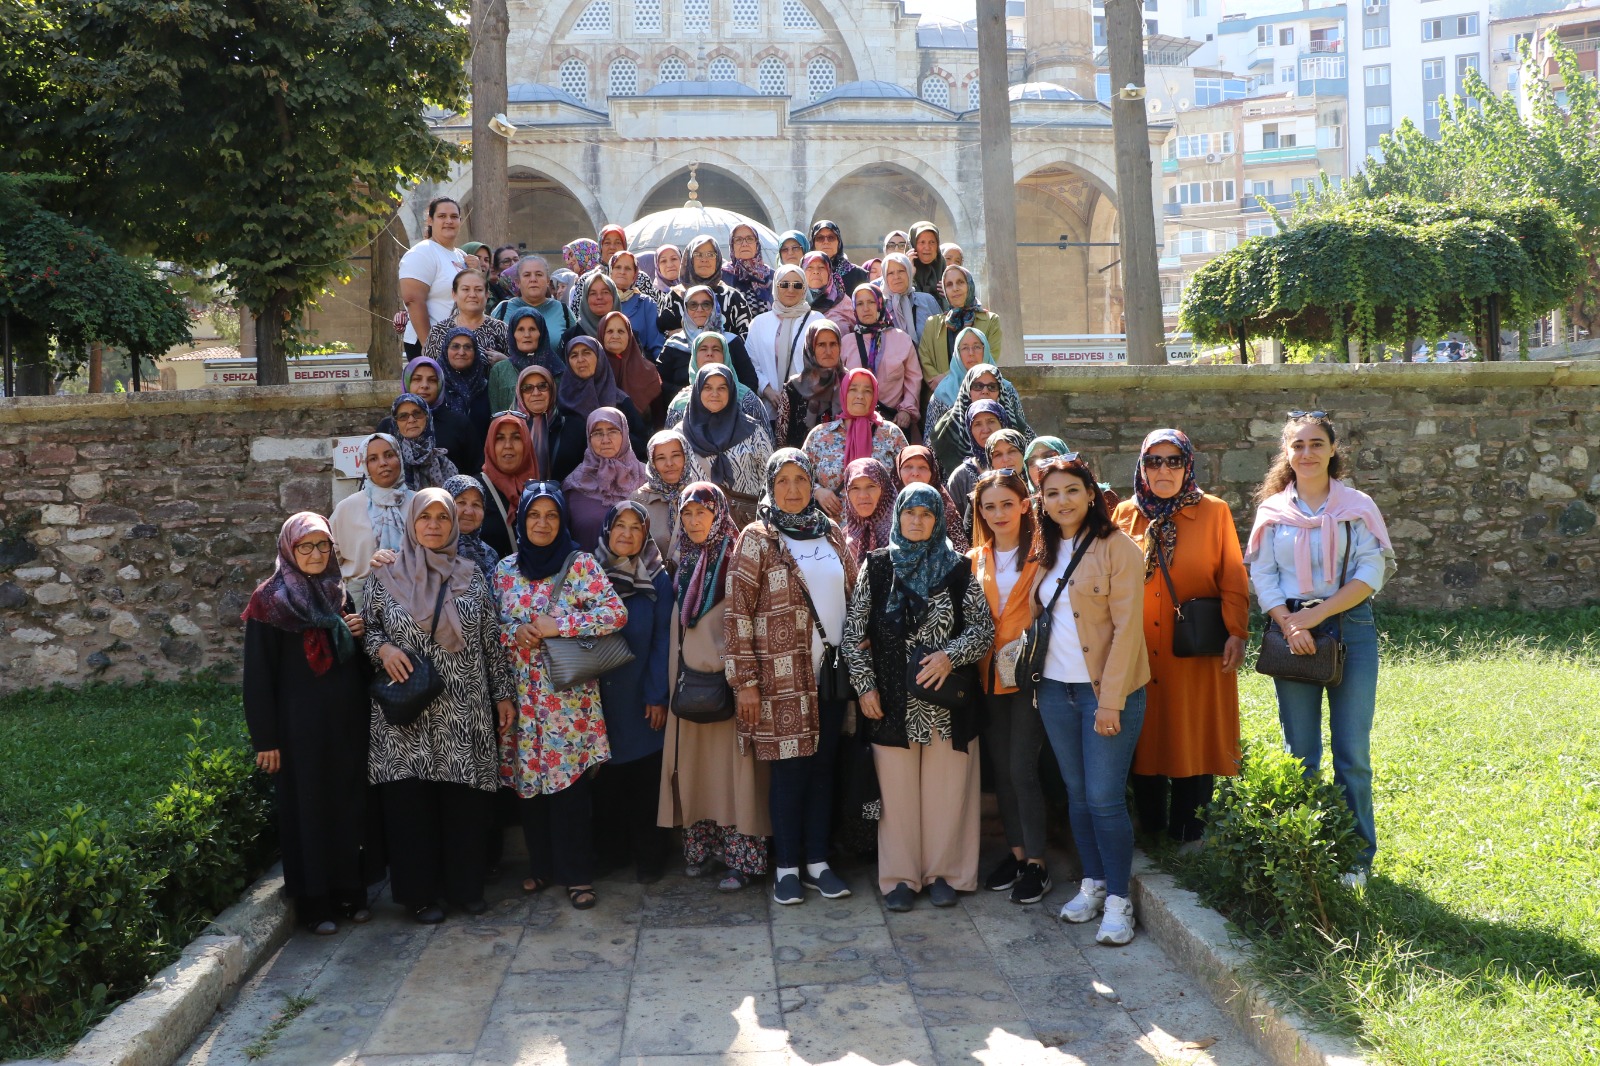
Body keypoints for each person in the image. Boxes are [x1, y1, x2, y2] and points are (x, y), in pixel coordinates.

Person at [1246, 412, 1395, 886]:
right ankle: (1310, 849)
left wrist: (1310, 617)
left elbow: (1371, 573)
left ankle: (1356, 857)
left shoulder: (1358, 506)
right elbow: (1262, 574)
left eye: (1316, 443)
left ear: (1333, 450)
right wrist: (1289, 623)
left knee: (1352, 753)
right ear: (1286, 454)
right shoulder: (1272, 511)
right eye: (1298, 445)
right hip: (1292, 631)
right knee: (1301, 753)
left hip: (1349, 627)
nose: (1307, 453)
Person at [364, 489, 515, 923]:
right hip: (406, 712)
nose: (433, 525)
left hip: (463, 708)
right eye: (424, 517)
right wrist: (384, 650)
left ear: (453, 524)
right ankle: (420, 896)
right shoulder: (384, 574)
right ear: (411, 523)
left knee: (463, 805)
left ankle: (464, 889)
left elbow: (491, 642)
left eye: (442, 518)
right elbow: (368, 629)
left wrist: (502, 695)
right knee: (412, 808)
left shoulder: (470, 575)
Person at [844, 483, 994, 911]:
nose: (916, 521)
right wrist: (865, 686)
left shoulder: (958, 569)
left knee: (948, 794)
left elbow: (982, 630)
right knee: (898, 798)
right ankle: (901, 878)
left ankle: (945, 874)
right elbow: (854, 636)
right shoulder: (876, 568)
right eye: (909, 512)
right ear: (898, 516)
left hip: (947, 705)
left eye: (926, 514)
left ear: (938, 519)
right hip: (891, 704)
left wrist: (950, 655)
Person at [726, 450, 857, 904]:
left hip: (832, 676)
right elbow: (738, 613)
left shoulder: (833, 533)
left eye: (802, 478)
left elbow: (854, 598)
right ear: (770, 485)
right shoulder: (757, 538)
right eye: (784, 480)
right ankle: (786, 867)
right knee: (788, 771)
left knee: (823, 768)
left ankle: (818, 862)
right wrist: (745, 680)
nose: (794, 489)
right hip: (781, 676)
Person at [1030, 455, 1150, 945]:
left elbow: (1127, 631)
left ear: (1091, 494)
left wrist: (1111, 701)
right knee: (1077, 796)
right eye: (1052, 493)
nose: (1062, 501)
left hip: (1105, 691)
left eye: (1071, 491)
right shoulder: (1042, 546)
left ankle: (1120, 900)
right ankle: (1095, 883)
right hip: (1055, 691)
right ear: (1042, 500)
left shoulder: (1117, 547)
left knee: (1103, 798)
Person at [1111, 429, 1250, 848]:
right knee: (1145, 729)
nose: (1163, 469)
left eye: (1173, 460)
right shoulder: (1124, 515)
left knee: (1192, 728)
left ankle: (1189, 829)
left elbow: (1233, 577)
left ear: (1188, 464)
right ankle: (1151, 825)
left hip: (1194, 644)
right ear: (1141, 467)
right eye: (1154, 461)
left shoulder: (1213, 512)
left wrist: (1238, 632)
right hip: (1138, 648)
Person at [495, 482, 627, 910]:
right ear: (522, 519)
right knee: (529, 785)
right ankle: (542, 867)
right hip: (520, 696)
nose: (543, 523)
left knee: (569, 788)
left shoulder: (580, 565)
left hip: (567, 701)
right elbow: (485, 626)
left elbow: (614, 614)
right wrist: (513, 632)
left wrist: (560, 625)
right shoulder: (504, 570)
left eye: (551, 515)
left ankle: (577, 875)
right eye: (535, 515)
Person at [243, 512, 372, 934]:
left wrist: (358, 633)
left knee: (346, 807)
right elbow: (258, 676)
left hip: (344, 723)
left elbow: (355, 664)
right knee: (308, 811)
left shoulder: (339, 594)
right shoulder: (268, 601)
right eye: (306, 546)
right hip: (298, 730)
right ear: (289, 549)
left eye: (323, 546)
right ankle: (316, 904)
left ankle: (350, 892)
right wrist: (266, 739)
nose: (316, 554)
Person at [659, 483, 772, 891]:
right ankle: (703, 851)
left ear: (718, 513)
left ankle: (741, 861)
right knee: (695, 770)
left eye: (701, 512)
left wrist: (741, 677)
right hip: (688, 685)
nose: (693, 521)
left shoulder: (737, 556)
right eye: (686, 513)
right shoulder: (681, 559)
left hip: (727, 684)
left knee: (734, 773)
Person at [967, 469, 1051, 904]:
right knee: (1001, 769)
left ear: (1024, 505)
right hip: (987, 677)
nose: (998, 513)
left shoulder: (1044, 553)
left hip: (1030, 675)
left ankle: (1037, 863)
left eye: (1006, 504)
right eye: (989, 506)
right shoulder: (975, 558)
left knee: (1022, 767)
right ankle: (1018, 855)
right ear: (979, 511)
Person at [592, 501, 674, 882]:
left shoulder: (657, 579)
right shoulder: (589, 574)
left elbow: (662, 640)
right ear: (607, 531)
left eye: (635, 527)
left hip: (641, 694)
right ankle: (610, 854)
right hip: (599, 696)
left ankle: (650, 859)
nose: (626, 533)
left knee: (644, 782)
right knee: (607, 782)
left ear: (645, 534)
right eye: (619, 526)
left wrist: (656, 695)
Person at [802, 367, 910, 520]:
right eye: (853, 389)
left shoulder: (891, 434)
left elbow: (909, 478)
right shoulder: (820, 435)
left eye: (867, 390)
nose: (860, 396)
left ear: (874, 396)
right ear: (844, 393)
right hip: (833, 532)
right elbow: (800, 475)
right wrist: (817, 491)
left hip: (882, 529)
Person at [677, 364, 774, 527]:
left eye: (722, 388)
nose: (715, 394)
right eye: (708, 387)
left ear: (731, 391)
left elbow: (771, 479)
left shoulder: (752, 431)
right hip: (697, 528)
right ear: (698, 390)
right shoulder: (681, 435)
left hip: (746, 525)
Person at [551, 336, 650, 480]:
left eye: (586, 352)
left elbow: (641, 448)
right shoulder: (560, 401)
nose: (580, 360)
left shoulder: (620, 401)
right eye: (574, 355)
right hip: (575, 487)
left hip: (621, 483)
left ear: (599, 357)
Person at [330, 434, 412, 593]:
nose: (383, 463)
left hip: (410, 597)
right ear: (365, 465)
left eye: (389, 455)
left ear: (399, 458)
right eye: (373, 459)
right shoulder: (348, 508)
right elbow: (327, 559)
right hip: (360, 600)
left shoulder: (419, 504)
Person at [747, 263, 824, 433]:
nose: (791, 289)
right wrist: (767, 390)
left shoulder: (817, 320)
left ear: (805, 288)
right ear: (775, 286)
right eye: (784, 284)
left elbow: (825, 363)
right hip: (769, 408)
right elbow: (751, 365)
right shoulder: (759, 323)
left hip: (807, 408)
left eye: (797, 285)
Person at [563, 407, 650, 551]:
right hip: (585, 571)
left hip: (637, 571)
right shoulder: (574, 485)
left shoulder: (646, 478)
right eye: (597, 433)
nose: (605, 440)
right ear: (589, 438)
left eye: (613, 431)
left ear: (625, 433)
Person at [929, 361, 1033, 478]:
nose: (985, 391)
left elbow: (1035, 460)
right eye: (978, 386)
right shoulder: (946, 428)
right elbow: (929, 468)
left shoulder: (1015, 424)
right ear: (968, 389)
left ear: (1000, 391)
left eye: (992, 387)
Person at [843, 284, 922, 437]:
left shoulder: (901, 339)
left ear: (880, 304)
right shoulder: (846, 342)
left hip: (894, 422)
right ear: (854, 308)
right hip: (853, 423)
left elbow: (914, 378)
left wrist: (906, 410)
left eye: (871, 302)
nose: (866, 308)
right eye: (860, 304)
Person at [658, 284, 761, 399]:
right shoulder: (674, 344)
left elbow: (750, 380)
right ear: (685, 309)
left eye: (706, 304)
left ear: (714, 307)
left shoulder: (731, 341)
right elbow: (660, 382)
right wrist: (689, 396)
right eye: (693, 305)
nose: (699, 309)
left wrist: (726, 399)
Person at [399, 197, 466, 360]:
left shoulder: (461, 256)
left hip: (459, 345)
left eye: (454, 216)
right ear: (430, 220)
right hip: (429, 346)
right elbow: (413, 300)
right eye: (442, 216)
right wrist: (430, 348)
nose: (449, 221)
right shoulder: (422, 252)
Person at [918, 266, 1003, 393]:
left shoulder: (991, 321)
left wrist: (948, 378)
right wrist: (943, 387)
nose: (955, 288)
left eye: (960, 282)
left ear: (970, 285)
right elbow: (925, 359)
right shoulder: (932, 324)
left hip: (977, 394)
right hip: (942, 398)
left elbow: (987, 359)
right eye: (949, 284)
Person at [632, 429, 706, 570]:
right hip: (655, 585)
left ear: (686, 456)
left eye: (676, 455)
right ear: (652, 462)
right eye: (660, 458)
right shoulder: (638, 500)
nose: (669, 463)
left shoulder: (702, 495)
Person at [665, 332, 770, 430]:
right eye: (703, 349)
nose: (710, 353)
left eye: (716, 349)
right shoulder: (680, 403)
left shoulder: (747, 399)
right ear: (694, 357)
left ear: (726, 356)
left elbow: (766, 442)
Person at [476, 412, 539, 558]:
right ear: (490, 444)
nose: (508, 445)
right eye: (499, 438)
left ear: (527, 443)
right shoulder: (475, 491)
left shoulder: (539, 490)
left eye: (516, 438)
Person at [665, 236, 755, 339]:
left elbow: (747, 337)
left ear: (718, 259)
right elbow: (660, 337)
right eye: (698, 254)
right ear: (689, 258)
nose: (704, 259)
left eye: (710, 254)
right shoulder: (674, 297)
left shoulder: (733, 298)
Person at [941, 400, 1011, 526]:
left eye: (991, 421)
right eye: (977, 424)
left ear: (1002, 424)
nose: (985, 429)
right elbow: (951, 524)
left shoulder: (1014, 465)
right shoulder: (961, 476)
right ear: (969, 430)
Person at [949, 426, 1028, 532]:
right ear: (990, 461)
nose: (1005, 459)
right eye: (998, 454)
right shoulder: (979, 497)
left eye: (1012, 451)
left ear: (1023, 453)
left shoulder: (1039, 490)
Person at [782, 319, 845, 450]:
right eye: (821, 345)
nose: (828, 351)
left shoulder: (851, 384)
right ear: (810, 348)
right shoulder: (793, 388)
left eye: (833, 344)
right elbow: (781, 440)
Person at [424, 270, 508, 367]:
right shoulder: (438, 331)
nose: (472, 295)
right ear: (454, 294)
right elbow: (428, 370)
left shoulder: (500, 329)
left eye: (478, 289)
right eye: (465, 289)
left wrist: (505, 362)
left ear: (486, 295)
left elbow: (517, 371)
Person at [925, 325, 1000, 432]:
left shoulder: (1005, 388)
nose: (971, 353)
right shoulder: (942, 393)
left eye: (977, 347)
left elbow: (1023, 435)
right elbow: (930, 441)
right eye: (965, 348)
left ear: (986, 350)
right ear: (957, 353)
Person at [895, 444, 968, 553]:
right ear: (898, 471)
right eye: (908, 467)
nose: (915, 473)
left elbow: (960, 548)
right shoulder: (888, 505)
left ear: (932, 472)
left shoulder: (944, 506)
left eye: (922, 467)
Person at [436, 328, 494, 462]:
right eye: (455, 346)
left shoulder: (486, 388)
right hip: (441, 465)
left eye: (467, 347)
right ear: (445, 350)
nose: (461, 352)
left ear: (475, 352)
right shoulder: (435, 387)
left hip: (480, 464)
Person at [488, 306, 560, 413]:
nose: (527, 335)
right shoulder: (500, 370)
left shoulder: (556, 368)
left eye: (532, 329)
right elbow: (495, 414)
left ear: (541, 333)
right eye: (520, 329)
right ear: (513, 334)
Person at [492, 255, 576, 345]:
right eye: (527, 275)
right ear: (518, 282)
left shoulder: (563, 310)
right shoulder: (503, 309)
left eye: (539, 275)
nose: (533, 279)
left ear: (548, 281)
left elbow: (575, 347)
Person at [596, 309, 664, 417]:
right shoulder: (594, 369)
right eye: (609, 331)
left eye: (621, 331)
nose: (615, 336)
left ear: (629, 336)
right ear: (601, 335)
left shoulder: (648, 371)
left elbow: (658, 418)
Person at [388, 393, 459, 491]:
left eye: (417, 413)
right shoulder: (388, 461)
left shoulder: (442, 462)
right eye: (403, 416)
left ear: (427, 417)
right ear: (395, 423)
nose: (411, 420)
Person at [610, 251, 667, 362]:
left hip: (637, 366)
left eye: (628, 268)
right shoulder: (601, 300)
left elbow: (656, 343)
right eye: (617, 267)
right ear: (610, 271)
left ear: (635, 274)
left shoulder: (645, 303)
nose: (622, 272)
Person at [443, 473, 501, 580]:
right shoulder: (434, 550)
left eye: (476, 505)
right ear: (445, 506)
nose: (469, 511)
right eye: (461, 502)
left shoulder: (489, 554)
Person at [841, 457, 894, 567]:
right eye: (855, 488)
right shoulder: (841, 538)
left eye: (871, 486)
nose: (863, 495)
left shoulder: (902, 534)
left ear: (884, 489)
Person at [877, 254, 942, 344]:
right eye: (890, 273)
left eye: (901, 271)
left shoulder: (927, 301)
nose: (897, 277)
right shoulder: (879, 308)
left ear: (909, 273)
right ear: (884, 277)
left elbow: (942, 335)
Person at [724, 223, 774, 312]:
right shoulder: (723, 275)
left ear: (757, 244)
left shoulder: (772, 276)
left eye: (750, 239)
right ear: (732, 245)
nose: (744, 244)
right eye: (738, 240)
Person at [808, 219, 868, 294]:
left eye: (831, 237)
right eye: (820, 238)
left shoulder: (859, 275)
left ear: (838, 242)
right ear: (813, 244)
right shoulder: (805, 274)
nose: (826, 242)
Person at [802, 251, 856, 331]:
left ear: (829, 272)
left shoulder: (842, 301)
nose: (816, 271)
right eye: (809, 267)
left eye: (821, 267)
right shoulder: (795, 301)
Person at [908, 221, 946, 303]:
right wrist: (909, 274)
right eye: (922, 242)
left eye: (932, 242)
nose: (927, 247)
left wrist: (950, 292)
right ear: (913, 245)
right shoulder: (899, 271)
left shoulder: (945, 269)